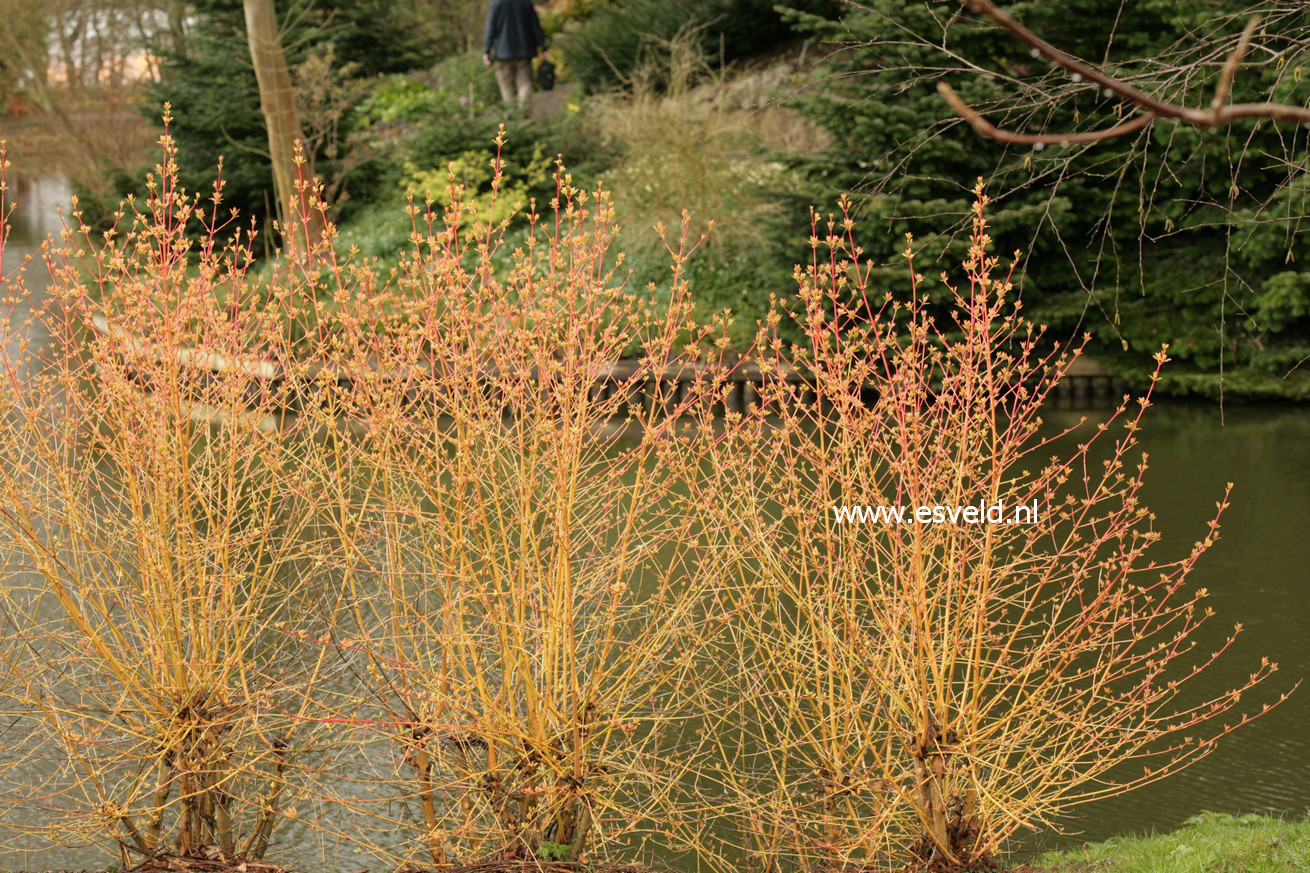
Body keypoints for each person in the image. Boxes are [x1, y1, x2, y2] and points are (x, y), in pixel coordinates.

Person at [482, 0, 548, 111]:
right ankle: (524, 115)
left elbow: (490, 27)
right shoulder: (525, 2)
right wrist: (543, 47)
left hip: (502, 54)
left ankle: (512, 117)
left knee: (507, 87)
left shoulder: (496, 3)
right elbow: (535, 26)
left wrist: (486, 51)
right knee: (525, 84)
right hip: (524, 52)